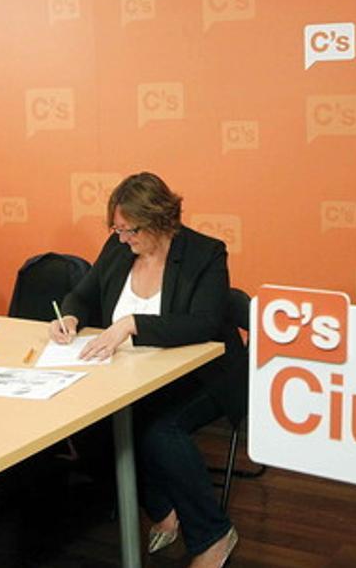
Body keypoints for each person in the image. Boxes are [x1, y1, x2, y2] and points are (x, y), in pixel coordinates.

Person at [49, 172, 243, 568]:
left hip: (206, 373)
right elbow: (82, 295)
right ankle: (162, 509)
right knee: (85, 427)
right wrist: (69, 317)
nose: (122, 239)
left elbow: (204, 323)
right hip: (134, 376)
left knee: (158, 430)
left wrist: (133, 324)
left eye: (130, 230)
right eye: (116, 229)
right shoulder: (119, 249)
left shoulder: (206, 253)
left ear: (159, 220)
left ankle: (213, 533)